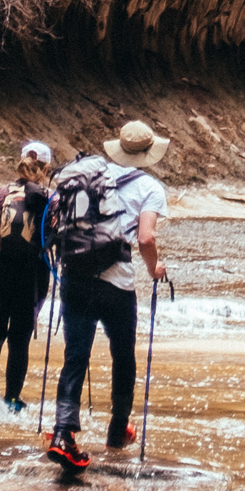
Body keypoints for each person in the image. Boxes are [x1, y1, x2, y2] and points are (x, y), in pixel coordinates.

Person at [43, 117, 170, 471]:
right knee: (123, 356)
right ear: (148, 153)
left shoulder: (91, 175)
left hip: (75, 277)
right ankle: (117, 432)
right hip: (117, 283)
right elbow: (146, 239)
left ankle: (63, 434)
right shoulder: (151, 188)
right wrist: (154, 268)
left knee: (76, 356)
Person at [0, 139, 55, 410]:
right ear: (47, 168)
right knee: (19, 339)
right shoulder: (50, 200)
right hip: (31, 273)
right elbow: (54, 239)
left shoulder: (0, 194)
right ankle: (11, 400)